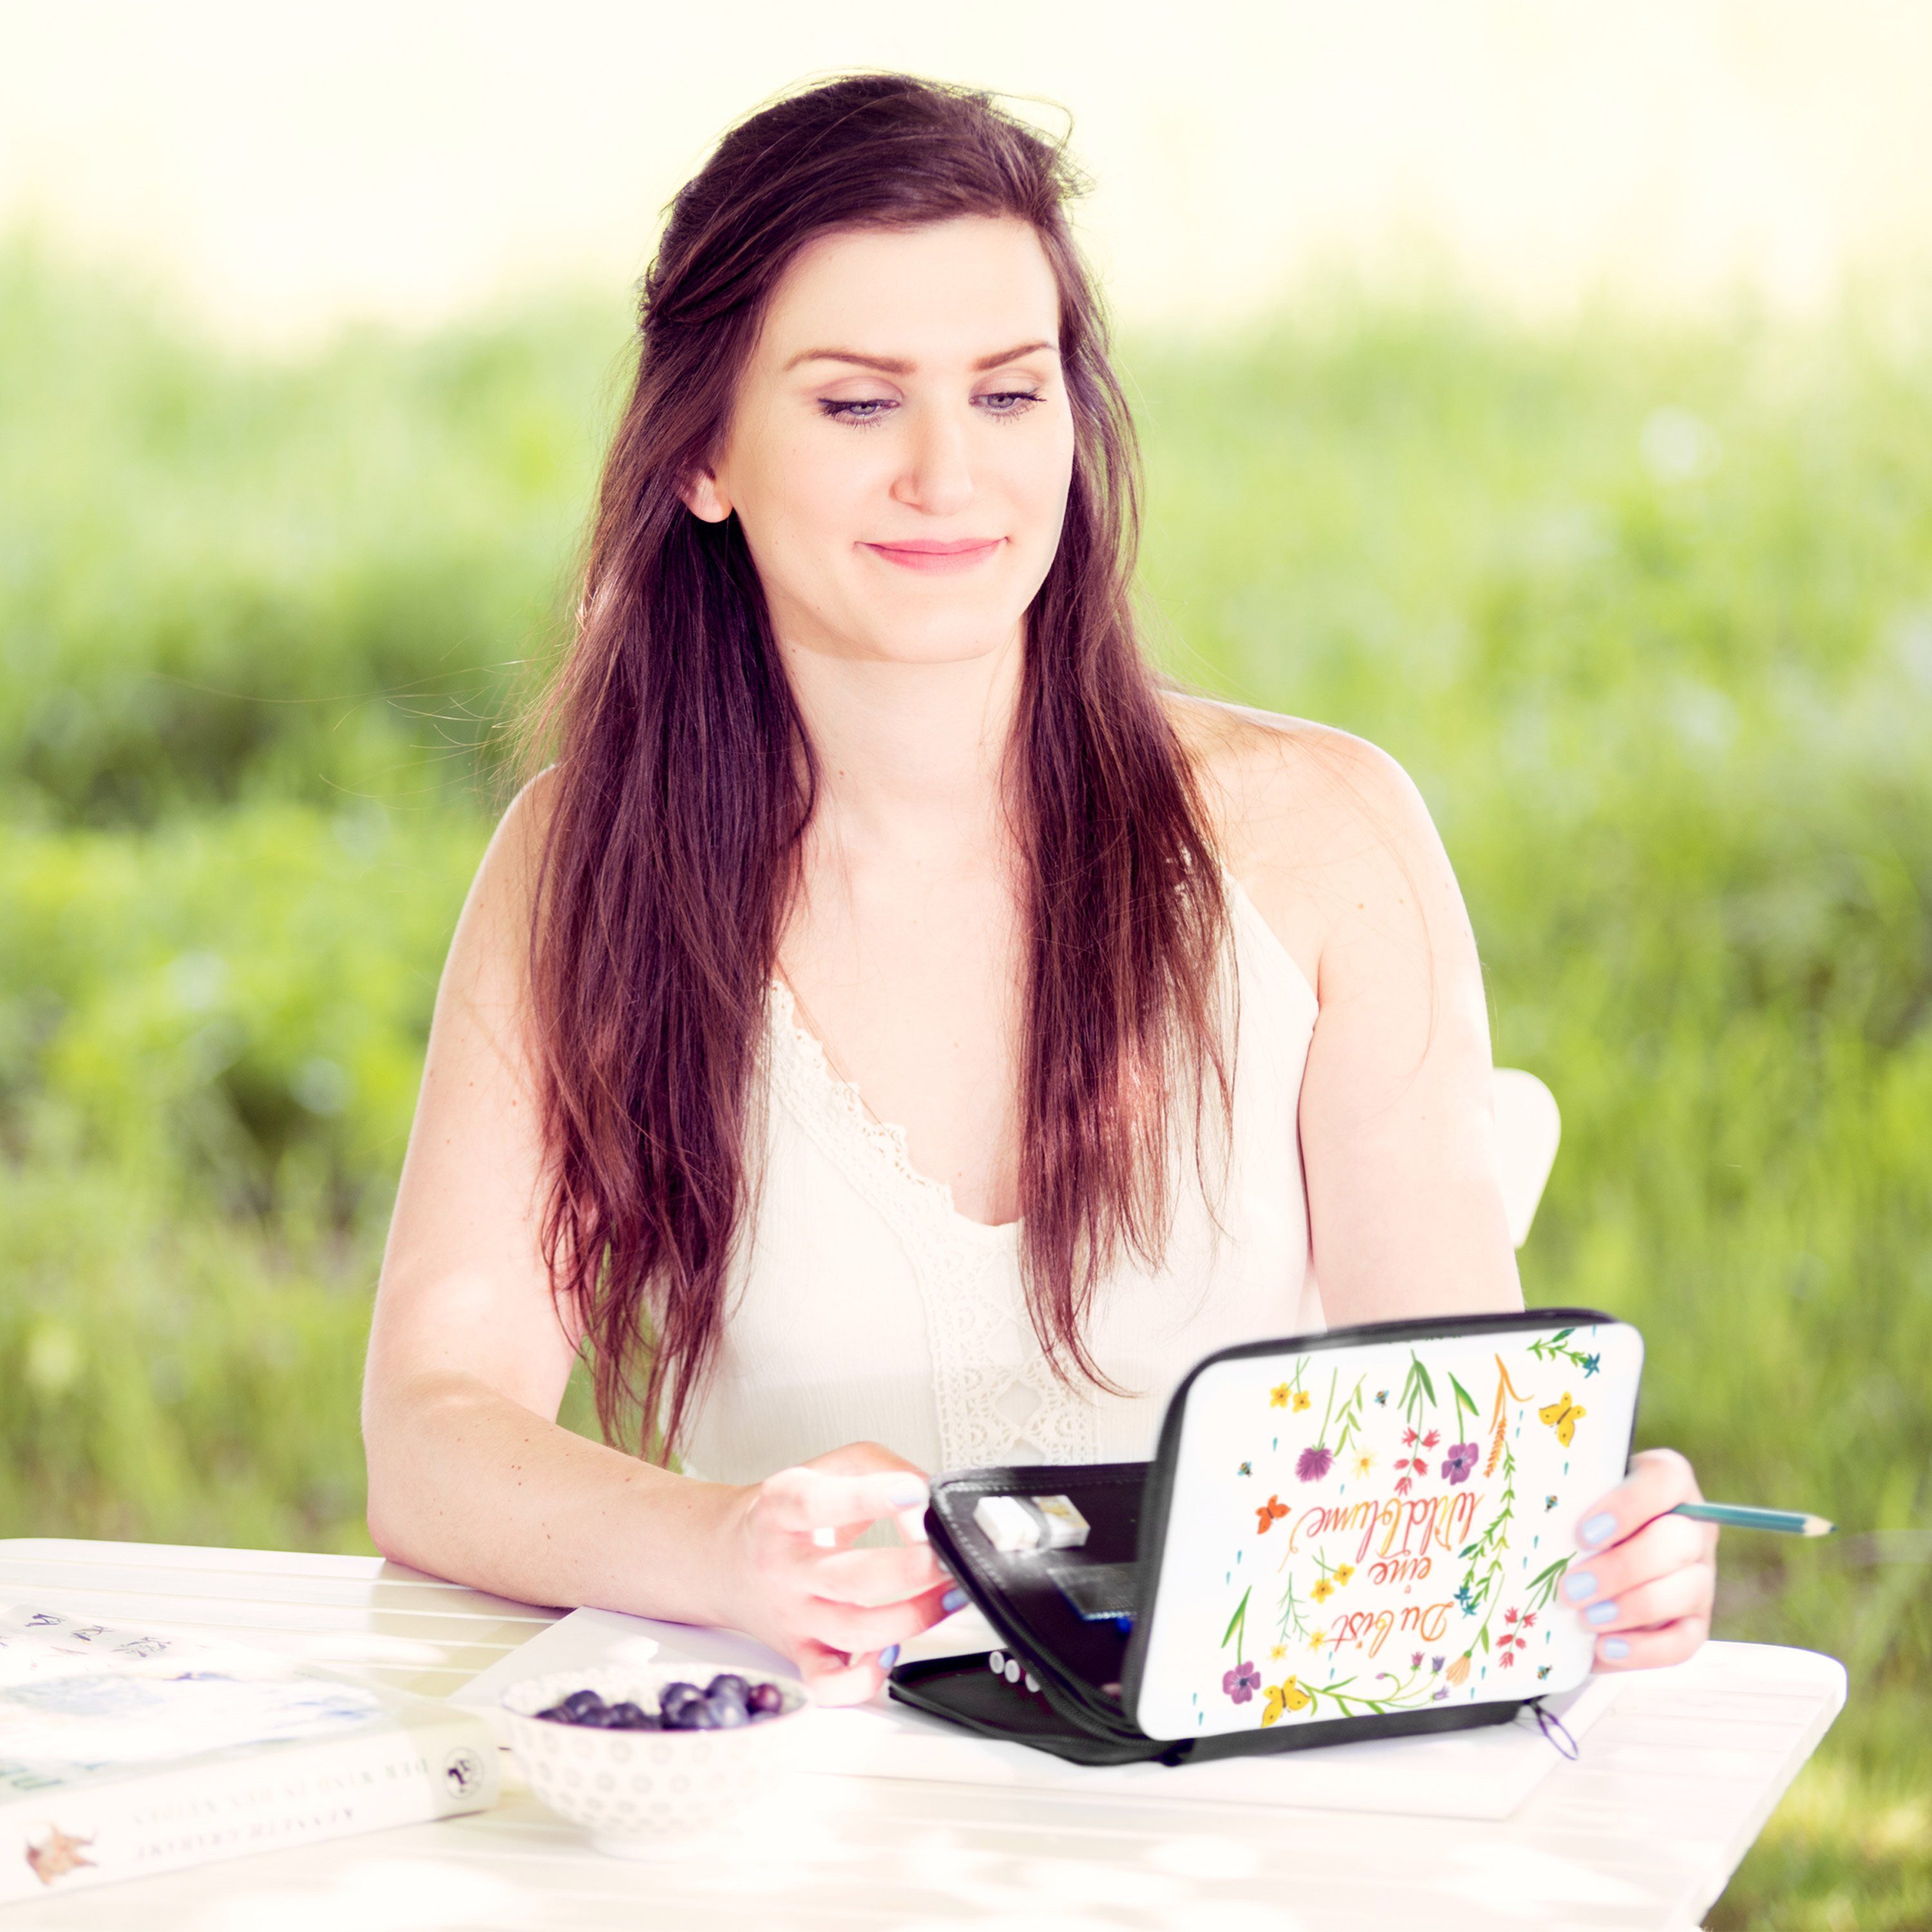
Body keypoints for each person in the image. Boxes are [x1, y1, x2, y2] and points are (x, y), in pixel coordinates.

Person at [361, 73, 1718, 1705]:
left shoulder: (1324, 841)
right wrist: (723, 1548)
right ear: (701, 454)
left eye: (1009, 395)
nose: (952, 476)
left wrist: (1598, 1541)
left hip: (1247, 1815)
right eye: (858, 405)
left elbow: (1463, 1450)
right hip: (801, 1809)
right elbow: (433, 1440)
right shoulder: (583, 869)